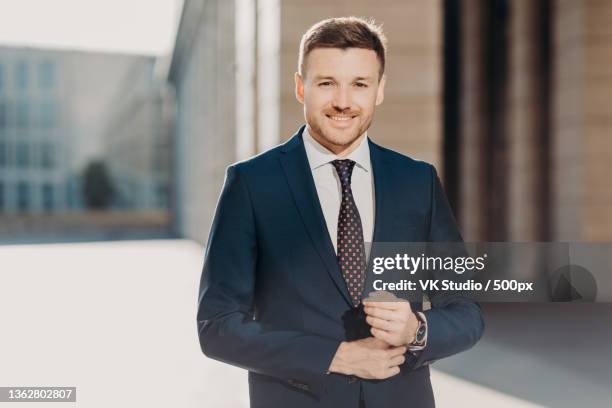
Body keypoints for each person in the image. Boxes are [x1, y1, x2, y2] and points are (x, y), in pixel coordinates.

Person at [197, 16, 484, 408]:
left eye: (360, 84)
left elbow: (467, 310)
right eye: (327, 83)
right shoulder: (251, 184)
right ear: (301, 87)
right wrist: (334, 356)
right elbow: (217, 326)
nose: (344, 102)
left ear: (379, 90)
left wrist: (418, 330)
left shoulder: (417, 181)